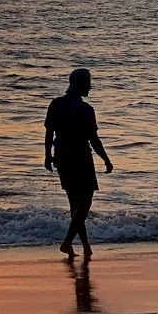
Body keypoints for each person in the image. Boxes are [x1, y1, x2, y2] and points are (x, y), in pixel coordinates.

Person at [45, 67, 113, 258]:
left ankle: (85, 247)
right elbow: (94, 139)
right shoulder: (85, 110)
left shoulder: (56, 104)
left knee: (75, 205)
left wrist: (47, 155)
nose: (90, 87)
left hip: (62, 157)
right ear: (81, 84)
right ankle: (67, 242)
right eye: (88, 83)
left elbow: (49, 132)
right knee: (85, 203)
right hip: (81, 158)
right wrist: (106, 159)